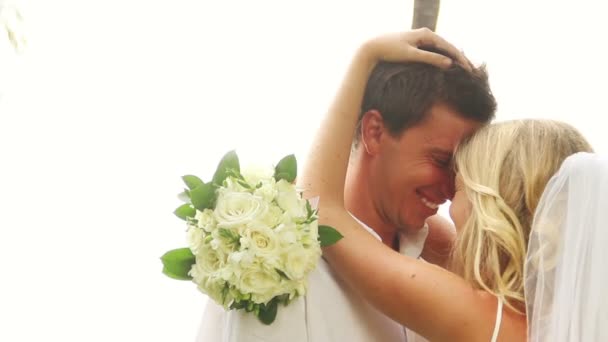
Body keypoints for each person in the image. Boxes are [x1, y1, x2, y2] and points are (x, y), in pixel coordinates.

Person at [196, 29, 496, 342]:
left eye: (459, 172)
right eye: (439, 161)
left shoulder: (450, 278)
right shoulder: (269, 267)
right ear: (375, 132)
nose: (450, 190)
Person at [300, 29, 594, 341]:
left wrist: (366, 56)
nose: (448, 191)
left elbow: (321, 209)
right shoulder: (557, 313)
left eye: (461, 180)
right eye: (442, 162)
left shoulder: (479, 314)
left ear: (495, 208)